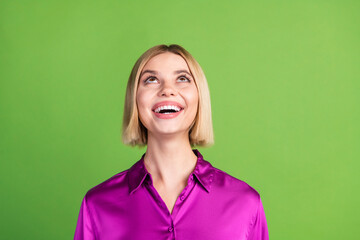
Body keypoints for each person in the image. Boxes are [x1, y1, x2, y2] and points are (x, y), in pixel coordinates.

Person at [74, 44, 269, 240]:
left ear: (200, 96)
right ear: (134, 99)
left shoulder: (245, 203)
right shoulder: (97, 204)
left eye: (182, 79)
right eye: (151, 80)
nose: (167, 90)